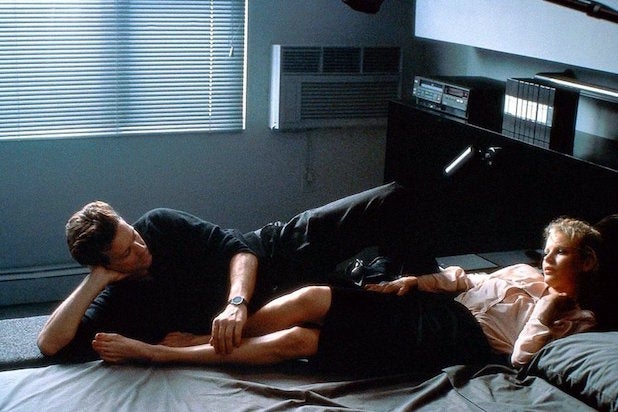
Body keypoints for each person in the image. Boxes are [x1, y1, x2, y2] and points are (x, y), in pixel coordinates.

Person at [88, 216, 601, 376]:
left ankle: (164, 354)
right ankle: (204, 338)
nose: (546, 259)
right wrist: (417, 281)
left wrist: (545, 312)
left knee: (300, 341)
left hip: (455, 338)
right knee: (313, 295)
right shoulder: (521, 270)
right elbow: (463, 279)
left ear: (586, 263)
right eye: (547, 250)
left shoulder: (576, 317)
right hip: (435, 305)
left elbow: (522, 361)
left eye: (559, 254)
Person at [37, 182, 419, 359]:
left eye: (132, 234)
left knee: (392, 199)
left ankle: (422, 276)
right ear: (104, 265)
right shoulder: (117, 298)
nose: (141, 248)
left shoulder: (158, 224)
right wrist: (95, 281)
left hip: (277, 252)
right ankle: (401, 287)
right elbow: (50, 345)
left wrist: (236, 302)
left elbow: (241, 249)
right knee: (387, 312)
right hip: (274, 309)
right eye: (126, 253)